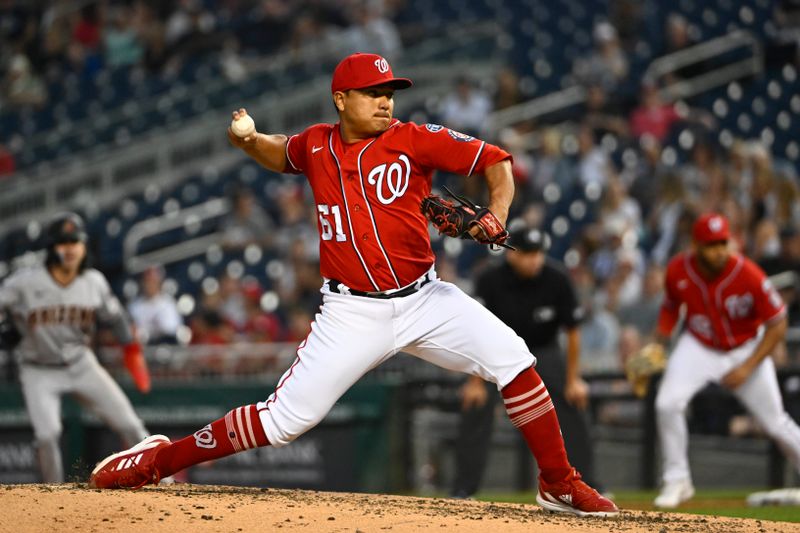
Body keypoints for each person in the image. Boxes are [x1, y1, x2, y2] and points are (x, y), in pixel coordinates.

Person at [88, 52, 617, 517]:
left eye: (389, 93)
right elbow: (282, 152)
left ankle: (557, 483)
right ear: (341, 99)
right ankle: (158, 459)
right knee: (283, 423)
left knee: (515, 360)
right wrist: (248, 142)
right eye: (373, 93)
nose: (386, 102)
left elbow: (496, 161)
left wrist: (498, 214)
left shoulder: (414, 139)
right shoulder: (317, 145)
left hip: (425, 299)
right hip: (351, 313)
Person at [651, 213, 800, 508]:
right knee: (667, 404)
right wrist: (659, 342)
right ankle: (677, 480)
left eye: (723, 242)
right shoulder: (678, 269)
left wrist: (748, 367)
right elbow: (670, 308)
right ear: (696, 245)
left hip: (745, 347)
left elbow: (778, 323)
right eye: (711, 244)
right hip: (699, 345)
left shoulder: (748, 273)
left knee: (775, 423)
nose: (720, 250)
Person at [0, 213, 153, 482]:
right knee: (47, 435)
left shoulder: (93, 282)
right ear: (51, 248)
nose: (70, 248)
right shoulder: (24, 283)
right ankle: (54, 496)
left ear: (84, 246)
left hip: (82, 364)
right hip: (38, 369)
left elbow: (116, 318)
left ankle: (161, 481)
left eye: (76, 241)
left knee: (131, 424)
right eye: (63, 242)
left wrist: (131, 350)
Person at [452, 225, 602, 498]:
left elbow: (573, 330)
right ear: (512, 254)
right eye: (527, 253)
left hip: (543, 350)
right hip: (496, 352)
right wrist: (474, 381)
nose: (535, 259)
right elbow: (476, 330)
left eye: (538, 253)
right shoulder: (490, 279)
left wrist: (573, 379)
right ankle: (464, 488)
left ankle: (586, 483)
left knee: (572, 406)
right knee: (475, 405)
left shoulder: (557, 278)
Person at [128, 266, 182, 344]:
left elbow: (172, 329)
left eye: (153, 282)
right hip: (142, 346)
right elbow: (132, 331)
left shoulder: (168, 303)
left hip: (165, 345)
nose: (150, 285)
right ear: (142, 283)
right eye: (147, 282)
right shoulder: (134, 305)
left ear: (159, 282)